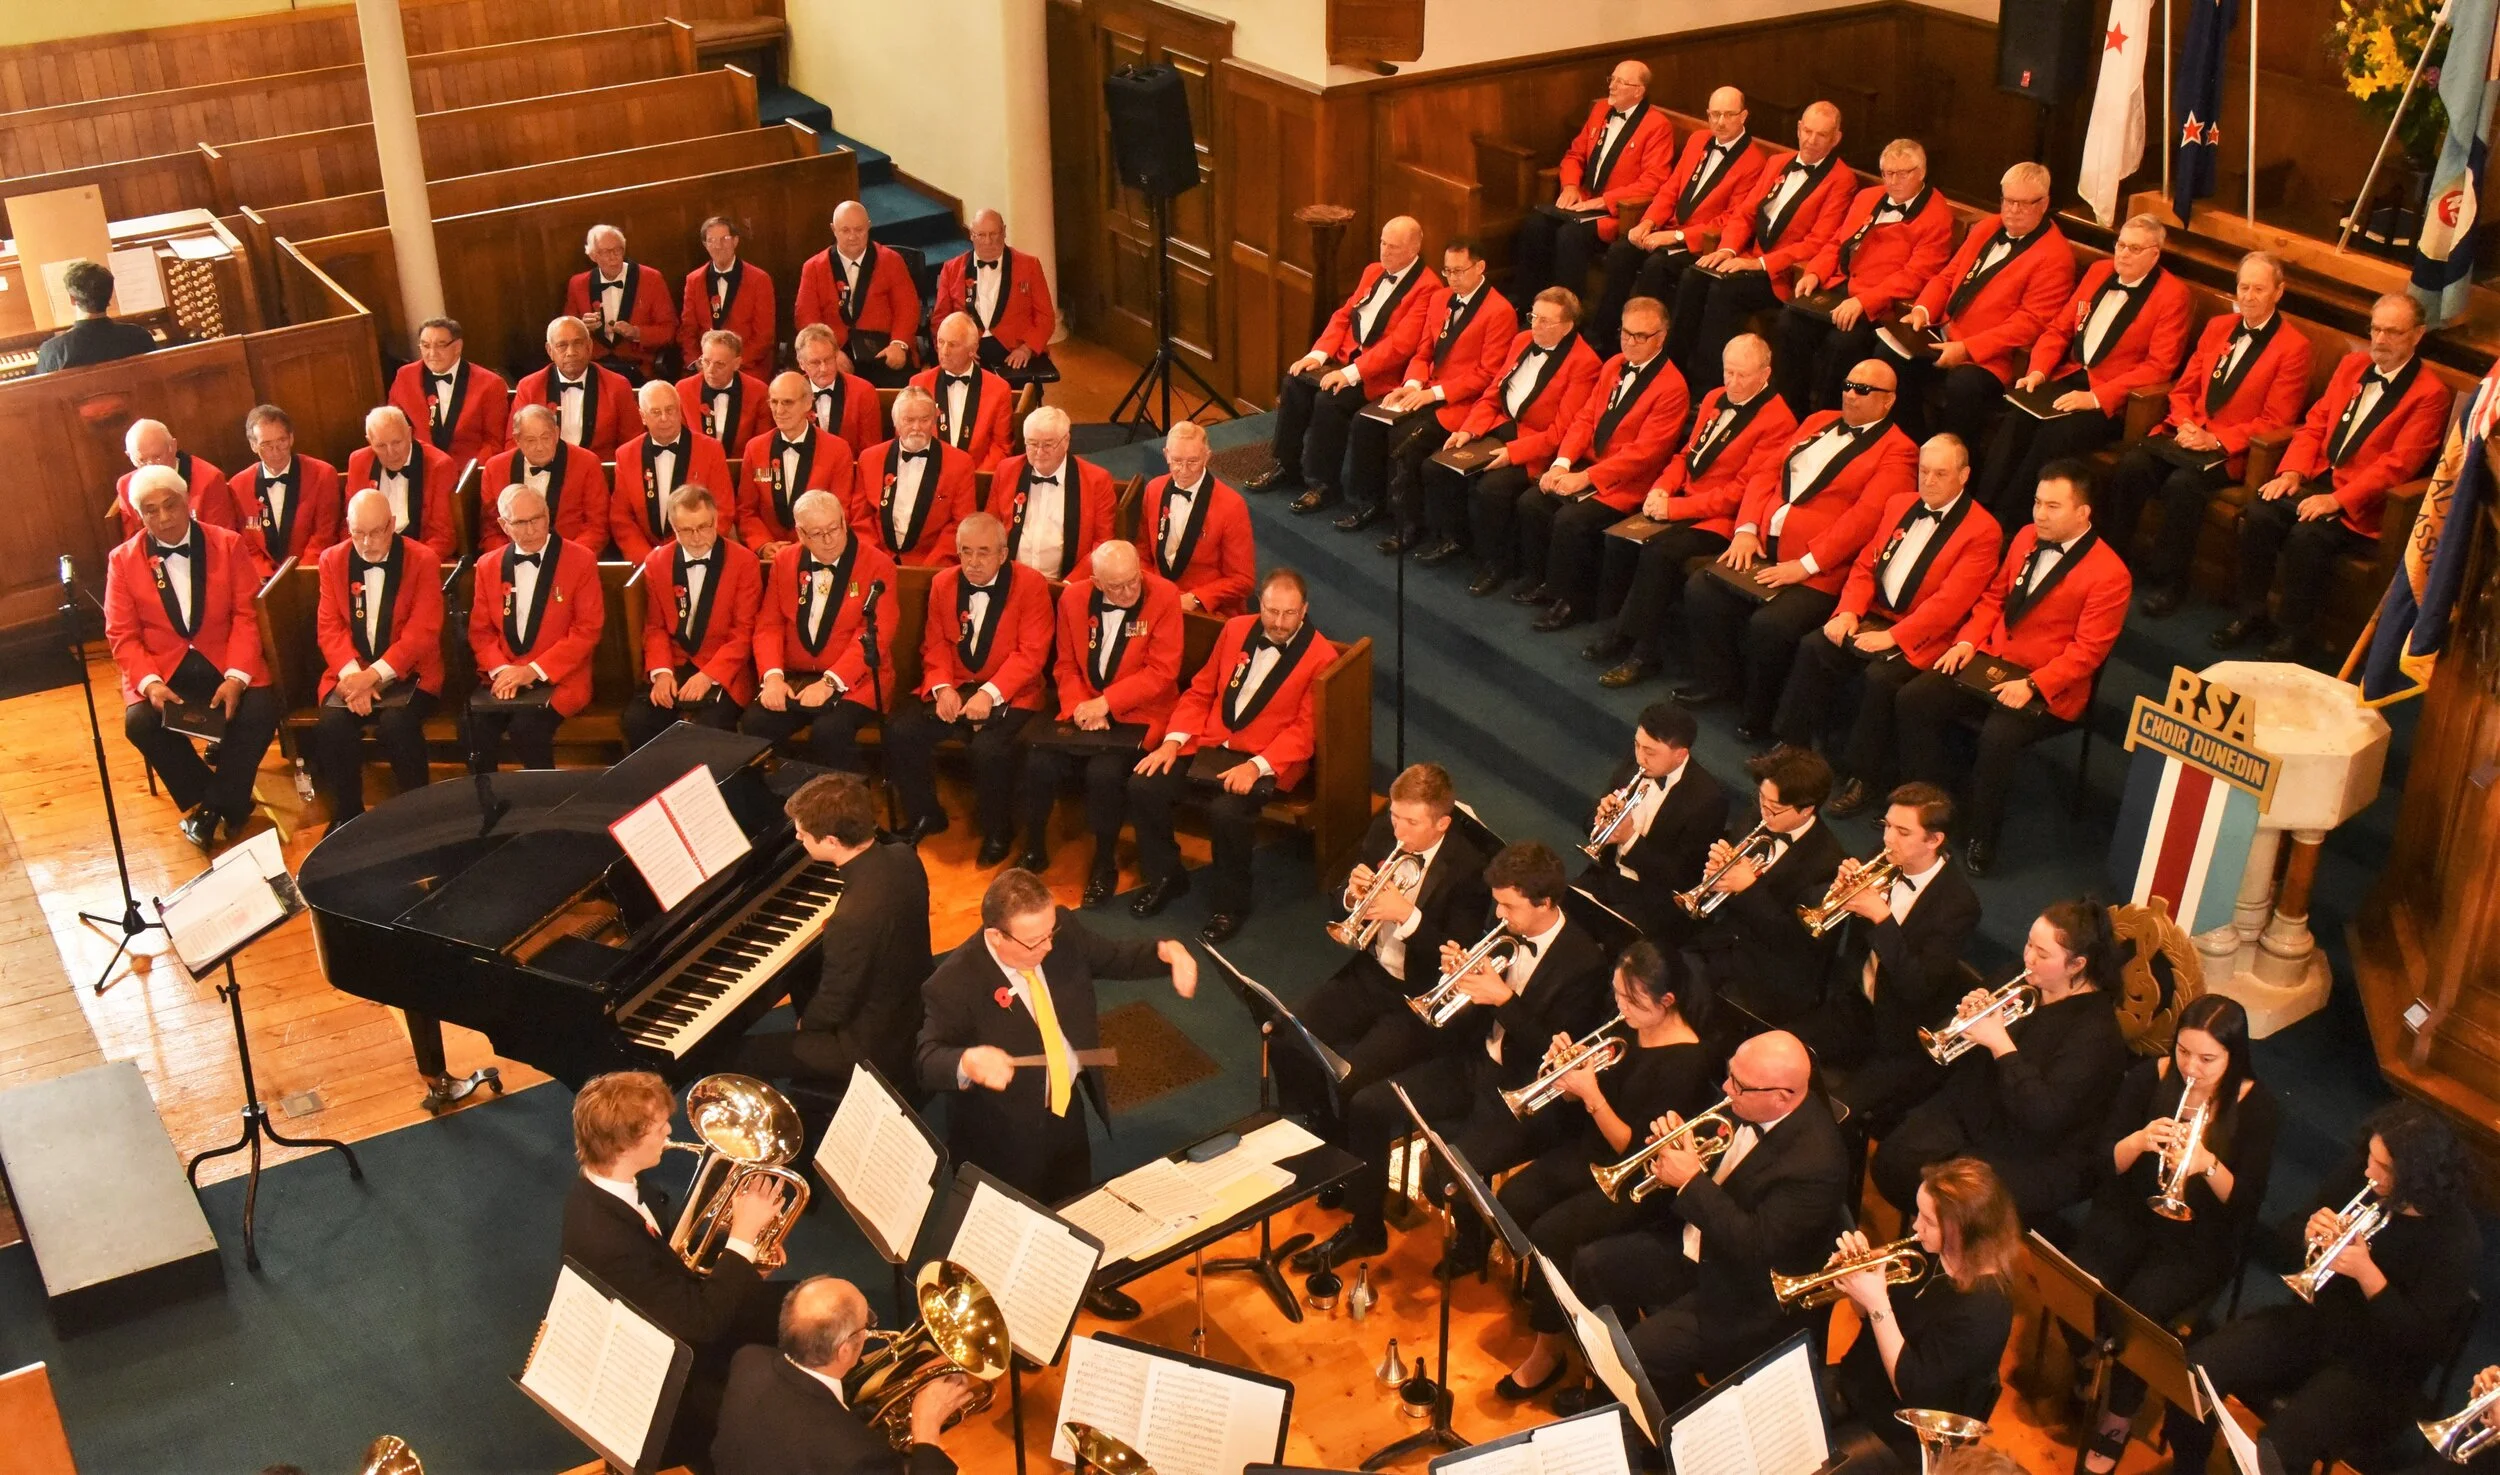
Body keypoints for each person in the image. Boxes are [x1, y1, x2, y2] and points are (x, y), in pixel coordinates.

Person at [1292, 841, 1611, 1272]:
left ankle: (1473, 1243)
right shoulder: (1502, 923)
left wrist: (1503, 1000)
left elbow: (1557, 1055)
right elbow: (1473, 1015)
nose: (1500, 916)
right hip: (1473, 1063)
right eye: (1498, 904)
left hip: (1527, 1092)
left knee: (1441, 1177)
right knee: (1367, 1105)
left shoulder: (1583, 962)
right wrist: (1460, 977)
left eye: (1510, 906)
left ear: (1545, 903)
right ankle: (1366, 1229)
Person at [2162, 1102, 2481, 1475]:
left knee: (2279, 1449)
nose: (2368, 1171)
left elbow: (2419, 1342)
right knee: (2195, 1373)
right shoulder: (2360, 1175)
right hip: (2314, 1323)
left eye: (2382, 1167)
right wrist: (2308, 1233)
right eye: (2370, 1157)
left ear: (2416, 1178)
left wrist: (2367, 1275)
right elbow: (2285, 1240)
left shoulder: (2456, 1240)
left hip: (2376, 1370)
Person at [1565, 1029, 1853, 1405]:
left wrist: (1690, 1181)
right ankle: (1630, 1391)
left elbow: (1754, 1247)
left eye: (1739, 1085)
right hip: (1700, 1247)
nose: (1727, 1088)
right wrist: (1677, 1149)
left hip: (1744, 1293)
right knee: (1591, 1265)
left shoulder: (1816, 1163)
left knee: (1636, 1353)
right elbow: (1720, 1174)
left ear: (1783, 1097)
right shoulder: (1748, 1101)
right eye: (1730, 1074)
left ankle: (1665, 1414)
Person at [1494, 942, 1717, 1400]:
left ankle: (1548, 1350)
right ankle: (1554, 1303)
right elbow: (1585, 1104)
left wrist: (1591, 1094)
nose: (1619, 1007)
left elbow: (1637, 1151)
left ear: (1666, 1001)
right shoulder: (1629, 1028)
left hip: (1636, 1182)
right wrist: (1567, 1077)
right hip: (1593, 1152)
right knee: (1515, 1197)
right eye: (1616, 994)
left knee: (1552, 1233)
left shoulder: (1687, 1062)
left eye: (1631, 1000)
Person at [2069, 994, 2279, 1475]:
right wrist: (2140, 1140)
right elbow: (2104, 1161)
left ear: (2233, 1056)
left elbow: (2247, 1203)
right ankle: (2087, 1360)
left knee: (2139, 1309)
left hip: (2201, 1237)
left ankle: (2118, 1417)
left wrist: (2208, 1165)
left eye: (2207, 1059)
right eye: (2184, 1051)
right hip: (2133, 1212)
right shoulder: (2149, 1077)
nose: (2191, 1068)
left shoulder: (2259, 1107)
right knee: (2079, 1278)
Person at [1893, 459, 2130, 874]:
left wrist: (2034, 684)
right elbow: (1995, 599)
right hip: (1991, 661)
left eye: (2053, 506)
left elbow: (2088, 652)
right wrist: (1967, 641)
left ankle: (1981, 836)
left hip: (2048, 687)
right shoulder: (2024, 537)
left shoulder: (2111, 574)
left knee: (1998, 736)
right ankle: (1925, 808)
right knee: (1916, 697)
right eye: (2037, 502)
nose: (2039, 514)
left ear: (2083, 512)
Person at [917, 867, 1199, 1202]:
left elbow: (1113, 957)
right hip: (1003, 1135)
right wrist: (966, 1061)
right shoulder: (953, 983)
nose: (1049, 946)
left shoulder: (1060, 931)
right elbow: (926, 1060)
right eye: (1035, 942)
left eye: (1051, 932)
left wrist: (1165, 953)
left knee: (1075, 1200)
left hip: (1066, 1109)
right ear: (996, 937)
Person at [1678, 358, 1916, 735]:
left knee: (1771, 625)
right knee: (1702, 589)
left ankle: (1759, 715)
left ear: (1888, 400)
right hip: (1763, 546)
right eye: (1848, 385)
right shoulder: (1818, 419)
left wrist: (1806, 564)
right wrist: (1746, 529)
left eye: (1864, 390)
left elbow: (1865, 520)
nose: (1851, 394)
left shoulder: (1899, 450)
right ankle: (1718, 681)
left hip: (1820, 571)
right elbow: (1766, 473)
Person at [562, 1071, 786, 1464]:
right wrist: (743, 1239)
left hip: (672, 1304)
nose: (670, 1129)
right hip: (668, 1365)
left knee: (795, 1299)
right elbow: (704, 1324)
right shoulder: (607, 1240)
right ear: (625, 1145)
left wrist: (741, 1250)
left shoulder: (612, 1187)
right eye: (659, 1126)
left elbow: (665, 1254)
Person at [2218, 291, 2450, 663]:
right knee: (2260, 512)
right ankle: (2250, 613)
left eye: (2393, 332)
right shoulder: (2351, 365)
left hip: (2364, 504)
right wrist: (2292, 471)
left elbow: (2398, 465)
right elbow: (2315, 424)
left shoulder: (2430, 394)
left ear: (2418, 334)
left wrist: (2337, 500)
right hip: (2316, 477)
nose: (2380, 340)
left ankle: (2293, 635)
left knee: (2307, 536)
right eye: (2375, 329)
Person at [1772, 434, 2000, 802]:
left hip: (1927, 636)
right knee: (1816, 646)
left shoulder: (1983, 530)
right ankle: (1791, 745)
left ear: (1964, 475)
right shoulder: (1900, 503)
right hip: (1877, 615)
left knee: (1880, 678)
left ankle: (1863, 777)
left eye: (1940, 474)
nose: (1928, 481)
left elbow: (1950, 604)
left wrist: (1893, 637)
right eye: (1924, 471)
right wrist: (1849, 610)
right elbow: (1866, 565)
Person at [1870, 898, 2131, 1219]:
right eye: (2029, 944)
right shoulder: (2020, 977)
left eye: (2042, 954)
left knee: (1949, 1197)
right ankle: (1932, 1233)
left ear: (2077, 965)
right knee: (1894, 1159)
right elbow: (1961, 1058)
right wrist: (1965, 1020)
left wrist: (2001, 1045)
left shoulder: (2096, 1034)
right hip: (1980, 1107)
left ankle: (1941, 1240)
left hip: (2035, 1152)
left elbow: (2044, 1116)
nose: (2028, 958)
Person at [1284, 762, 1495, 1136]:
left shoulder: (1468, 869)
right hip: (1370, 974)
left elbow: (1455, 955)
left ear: (1442, 824)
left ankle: (1345, 1149)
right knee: (1289, 1035)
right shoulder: (1385, 829)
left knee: (1351, 1078)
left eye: (1411, 822)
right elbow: (1340, 899)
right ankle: (1314, 1123)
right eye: (1396, 816)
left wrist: (1407, 916)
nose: (1399, 830)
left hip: (1418, 995)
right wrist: (1351, 895)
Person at [1129, 568, 1337, 942]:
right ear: (1259, 604)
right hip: (1210, 745)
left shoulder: (1321, 656)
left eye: (1289, 613)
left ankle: (1232, 903)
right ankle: (1166, 876)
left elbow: (1304, 731)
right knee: (1144, 785)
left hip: (1266, 759)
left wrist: (1256, 767)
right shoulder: (1235, 629)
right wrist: (1173, 741)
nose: (1279, 622)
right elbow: (1200, 692)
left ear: (1304, 610)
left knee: (1226, 812)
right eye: (1272, 611)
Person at [1584, 333, 1798, 689]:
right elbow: (1686, 455)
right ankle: (1621, 630)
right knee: (1620, 539)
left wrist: (1675, 508)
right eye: (1728, 372)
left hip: (1720, 519)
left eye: (1742, 375)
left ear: (1765, 374)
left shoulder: (1779, 421)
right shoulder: (1715, 397)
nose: (1732, 382)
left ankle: (1644, 653)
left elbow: (1740, 492)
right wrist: (1661, 487)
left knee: (1660, 553)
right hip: (1684, 500)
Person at [2101, 251, 2310, 613]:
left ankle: (2169, 581)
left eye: (2259, 289)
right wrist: (2185, 423)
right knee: (2133, 464)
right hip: (2187, 434)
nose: (2248, 296)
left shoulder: (2294, 348)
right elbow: (2185, 388)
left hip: (2231, 452)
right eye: (2243, 287)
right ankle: (2109, 561)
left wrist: (2215, 440)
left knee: (2183, 484)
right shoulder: (2218, 327)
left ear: (2279, 292)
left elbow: (2277, 420)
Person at [1970, 214, 2192, 524]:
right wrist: (2038, 371)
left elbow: (2159, 367)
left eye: (2135, 249)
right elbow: (2059, 330)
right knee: (2019, 415)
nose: (2123, 254)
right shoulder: (2099, 272)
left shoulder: (2173, 295)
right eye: (2121, 245)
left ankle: (2011, 520)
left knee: (2055, 433)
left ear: (2155, 254)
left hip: (2113, 402)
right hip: (2068, 376)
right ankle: (1980, 507)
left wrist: (2095, 398)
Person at [104, 466, 282, 852]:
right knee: (140, 723)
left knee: (260, 709)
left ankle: (211, 810)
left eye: (171, 505)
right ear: (138, 515)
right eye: (151, 510)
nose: (164, 517)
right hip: (163, 667)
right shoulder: (122, 560)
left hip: (225, 658)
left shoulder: (227, 544)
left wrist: (236, 677)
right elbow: (122, 634)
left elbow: (246, 616)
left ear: (187, 501)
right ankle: (225, 801)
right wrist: (151, 684)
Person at [733, 774, 934, 1096]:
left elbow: (836, 1001)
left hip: (871, 1045)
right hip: (913, 1008)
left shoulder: (852, 918)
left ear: (831, 841)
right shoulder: (903, 855)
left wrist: (807, 1025)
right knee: (805, 978)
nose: (797, 837)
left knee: (740, 1054)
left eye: (803, 833)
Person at [1508, 294, 1690, 632]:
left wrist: (1586, 478)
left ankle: (1572, 601)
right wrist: (1562, 463)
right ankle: (1543, 579)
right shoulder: (1613, 365)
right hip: (1591, 465)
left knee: (1571, 520)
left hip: (1626, 483)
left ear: (1661, 337)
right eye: (1626, 332)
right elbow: (1585, 418)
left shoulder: (1672, 387)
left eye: (1641, 336)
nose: (1630, 342)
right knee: (1532, 501)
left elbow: (1644, 454)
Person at [1811, 784, 1980, 1138]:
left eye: (1903, 832)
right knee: (1775, 1051)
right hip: (1855, 1008)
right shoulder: (1884, 858)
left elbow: (1918, 986)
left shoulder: (1958, 905)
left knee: (1833, 1115)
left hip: (1900, 1036)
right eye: (1887, 826)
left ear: (1934, 840)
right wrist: (1840, 895)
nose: (1888, 839)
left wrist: (1881, 918)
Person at [1021, 540, 1183, 903]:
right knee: (1038, 761)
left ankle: (1104, 861)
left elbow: (1162, 671)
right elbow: (1065, 665)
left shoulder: (1164, 596)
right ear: (1096, 582)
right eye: (1116, 586)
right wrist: (1081, 707)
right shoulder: (1073, 598)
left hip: (1140, 714)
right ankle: (1034, 847)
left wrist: (1105, 704)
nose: (1128, 592)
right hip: (1084, 709)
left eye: (1133, 581)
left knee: (1104, 773)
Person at [1829, 1158, 2021, 1464]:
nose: (1916, 1226)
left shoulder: (1985, 1310)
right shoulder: (1930, 1250)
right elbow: (1867, 1320)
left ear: (1962, 1230)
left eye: (1928, 1221)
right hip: (1859, 1383)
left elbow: (1912, 1390)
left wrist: (1877, 1303)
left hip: (1902, 1434)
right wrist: (1857, 1281)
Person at [1244, 216, 1439, 516]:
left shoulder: (1428, 287)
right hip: (1345, 359)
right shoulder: (1373, 271)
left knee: (1330, 400)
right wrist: (1319, 354)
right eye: (1383, 243)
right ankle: (1286, 465)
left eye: (1394, 247)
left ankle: (1323, 485)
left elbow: (1400, 346)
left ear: (1415, 248)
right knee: (1294, 382)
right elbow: (1344, 315)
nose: (1385, 252)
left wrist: (1350, 374)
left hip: (1378, 375)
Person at [887, 513, 1053, 862]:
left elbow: (1031, 654)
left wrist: (989, 693)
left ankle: (998, 831)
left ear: (1003, 554)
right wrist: (942, 687)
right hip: (958, 685)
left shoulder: (1031, 584)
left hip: (1013, 693)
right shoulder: (943, 583)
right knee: (902, 730)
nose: (973, 562)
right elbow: (935, 644)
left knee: (989, 750)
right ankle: (926, 815)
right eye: (966, 552)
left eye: (983, 552)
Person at [1670, 101, 1855, 397]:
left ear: (1836, 139)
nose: (1811, 140)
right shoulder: (1778, 162)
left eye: (1821, 135)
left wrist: (1759, 265)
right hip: (1748, 258)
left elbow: (1817, 243)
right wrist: (1728, 250)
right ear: (1798, 128)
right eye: (1807, 131)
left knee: (1723, 291)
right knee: (1694, 276)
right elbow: (1745, 214)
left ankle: (1707, 386)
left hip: (1782, 274)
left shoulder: (1841, 180)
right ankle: (1673, 370)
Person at [1885, 162, 2072, 450]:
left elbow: (2029, 323)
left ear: (2044, 204)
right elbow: (1947, 277)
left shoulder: (2055, 257)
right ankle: (1909, 446)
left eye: (2023, 204)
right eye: (2008, 200)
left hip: (1988, 359)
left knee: (1963, 385)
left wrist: (1967, 349)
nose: (2013, 210)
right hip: (1943, 333)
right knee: (1889, 354)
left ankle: (1952, 462)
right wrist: (1921, 310)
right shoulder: (1987, 227)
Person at [1343, 235, 1513, 546]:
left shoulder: (1499, 311)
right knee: (1366, 422)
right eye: (1447, 271)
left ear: (1480, 267)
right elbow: (1423, 352)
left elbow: (1487, 375)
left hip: (1460, 402)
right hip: (1426, 389)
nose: (1452, 278)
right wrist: (1411, 385)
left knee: (1405, 439)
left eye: (1459, 271)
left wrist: (1433, 394)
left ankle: (1408, 525)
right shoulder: (1440, 298)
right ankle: (1368, 503)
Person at [712, 1276, 971, 1475]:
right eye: (868, 1323)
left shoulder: (749, 1360)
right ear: (845, 1350)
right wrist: (926, 1429)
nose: (870, 1329)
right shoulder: (860, 1455)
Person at [1774, 138, 1955, 416]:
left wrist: (1863, 301)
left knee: (1841, 343)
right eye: (1887, 173)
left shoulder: (1936, 215)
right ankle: (1789, 413)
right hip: (1841, 285)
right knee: (1790, 323)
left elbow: (1915, 276)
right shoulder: (1867, 197)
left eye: (1902, 173)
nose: (1893, 181)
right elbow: (1837, 243)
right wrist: (1814, 272)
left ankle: (1826, 418)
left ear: (1921, 172)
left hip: (1882, 306)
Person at [1440, 287, 1604, 582]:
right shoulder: (1522, 340)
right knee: (1442, 463)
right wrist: (1468, 429)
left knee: (1491, 488)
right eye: (1533, 316)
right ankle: (1456, 541)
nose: (1535, 325)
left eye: (1545, 321)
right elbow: (1493, 393)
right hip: (1501, 426)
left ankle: (1497, 564)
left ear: (1568, 326)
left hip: (1535, 445)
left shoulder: (1585, 363)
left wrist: (1512, 454)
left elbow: (1560, 433)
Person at [1681, 745, 1847, 1026]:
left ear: (1807, 809)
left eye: (1774, 808)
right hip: (1723, 942)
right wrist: (1717, 877)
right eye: (1761, 798)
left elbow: (1797, 943)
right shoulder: (1754, 816)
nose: (1764, 812)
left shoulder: (1828, 863)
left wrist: (1749, 889)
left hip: (1769, 972)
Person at [1592, 86, 1762, 357]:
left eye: (1728, 115)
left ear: (1743, 116)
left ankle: (1653, 349)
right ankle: (1605, 340)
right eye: (1714, 114)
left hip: (1702, 243)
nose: (1720, 122)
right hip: (1669, 227)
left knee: (1656, 265)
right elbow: (1671, 189)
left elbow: (1732, 218)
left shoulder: (1754, 161)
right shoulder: (1698, 140)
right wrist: (1648, 222)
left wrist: (1678, 237)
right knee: (1621, 251)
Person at [742, 489, 900, 772]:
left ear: (844, 522)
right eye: (817, 533)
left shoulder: (878, 565)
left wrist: (830, 682)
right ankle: (789, 791)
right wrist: (773, 677)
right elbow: (769, 626)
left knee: (829, 731)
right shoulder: (785, 561)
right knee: (756, 722)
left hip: (856, 683)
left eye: (834, 528)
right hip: (797, 678)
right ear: (801, 534)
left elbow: (875, 635)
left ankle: (844, 798)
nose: (829, 540)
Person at [312, 489, 444, 824]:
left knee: (397, 724)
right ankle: (348, 818)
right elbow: (329, 626)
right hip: (351, 673)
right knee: (332, 725)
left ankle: (418, 816)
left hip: (410, 673)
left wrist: (373, 677)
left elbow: (422, 632)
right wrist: (353, 679)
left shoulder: (423, 560)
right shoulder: (332, 560)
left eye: (376, 532)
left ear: (393, 524)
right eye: (358, 533)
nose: (367, 543)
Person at [1508, 60, 1676, 306]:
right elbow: (1574, 155)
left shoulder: (1657, 126)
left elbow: (1653, 182)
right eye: (1612, 79)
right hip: (1584, 200)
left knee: (1569, 235)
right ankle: (1526, 304)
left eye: (1621, 82)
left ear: (1638, 91)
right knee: (1536, 224)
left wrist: (1603, 201)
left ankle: (1566, 311)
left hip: (1618, 213)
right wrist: (1570, 186)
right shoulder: (1600, 110)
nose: (1612, 86)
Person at [466, 484, 603, 773]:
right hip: (505, 677)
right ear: (503, 525)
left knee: (526, 728)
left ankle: (548, 799)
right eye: (520, 523)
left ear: (548, 515)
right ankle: (489, 797)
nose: (531, 530)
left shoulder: (580, 559)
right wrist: (503, 671)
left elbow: (587, 629)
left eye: (537, 519)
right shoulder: (488, 565)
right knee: (472, 727)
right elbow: (481, 631)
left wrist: (532, 671)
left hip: (560, 679)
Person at [624, 484, 763, 751]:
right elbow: (655, 627)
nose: (697, 538)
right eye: (686, 530)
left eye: (704, 527)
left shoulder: (744, 562)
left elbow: (744, 632)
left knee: (709, 726)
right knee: (637, 721)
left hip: (724, 668)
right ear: (674, 528)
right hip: (676, 663)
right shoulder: (657, 562)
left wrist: (708, 676)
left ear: (716, 520)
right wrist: (662, 673)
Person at [1577, 703, 1730, 942]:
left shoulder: (1708, 800)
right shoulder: (1637, 761)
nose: (1640, 757)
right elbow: (1589, 822)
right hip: (1606, 875)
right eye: (1637, 745)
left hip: (1652, 899)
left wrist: (1629, 839)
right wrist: (1599, 822)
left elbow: (1682, 878)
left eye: (1650, 751)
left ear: (1681, 754)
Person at [794, 200, 921, 387]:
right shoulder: (813, 267)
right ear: (833, 229)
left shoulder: (891, 261)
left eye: (859, 230)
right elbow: (806, 317)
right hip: (835, 351)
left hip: (884, 349)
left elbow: (907, 307)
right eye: (845, 230)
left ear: (869, 226)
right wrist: (830, 354)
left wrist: (899, 343)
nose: (852, 236)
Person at [741, 371, 858, 562]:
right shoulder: (755, 448)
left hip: (818, 554)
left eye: (787, 402)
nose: (779, 410)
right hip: (768, 556)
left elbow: (840, 511)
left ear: (807, 403)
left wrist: (798, 549)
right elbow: (747, 510)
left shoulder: (837, 449)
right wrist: (764, 545)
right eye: (774, 402)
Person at [854, 387, 977, 568]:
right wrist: (875, 560)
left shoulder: (960, 463)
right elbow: (861, 518)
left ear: (934, 420)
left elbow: (961, 524)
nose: (917, 427)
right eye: (909, 420)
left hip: (933, 565)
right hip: (876, 560)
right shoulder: (869, 459)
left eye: (924, 420)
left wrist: (929, 569)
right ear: (896, 422)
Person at [611, 379, 732, 564]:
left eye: (670, 410)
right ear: (643, 416)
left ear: (680, 410)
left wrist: (685, 553)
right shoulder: (626, 455)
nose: (664, 418)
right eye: (656, 412)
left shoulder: (710, 450)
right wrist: (648, 560)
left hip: (699, 554)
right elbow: (621, 518)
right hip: (646, 561)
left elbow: (723, 510)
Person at [986, 405, 1113, 580]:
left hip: (1065, 583)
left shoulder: (1096, 480)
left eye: (1047, 444)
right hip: (1010, 578)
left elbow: (1103, 544)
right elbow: (990, 526)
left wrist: (1070, 585)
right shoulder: (1007, 470)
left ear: (1066, 441)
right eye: (1032, 444)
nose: (1039, 452)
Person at [931, 209, 1058, 383]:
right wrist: (956, 350)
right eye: (981, 235)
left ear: (1004, 232)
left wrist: (1026, 349)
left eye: (993, 234)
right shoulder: (951, 269)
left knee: (1023, 393)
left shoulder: (1030, 266)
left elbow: (1046, 317)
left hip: (1015, 349)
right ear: (971, 235)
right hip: (968, 350)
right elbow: (940, 318)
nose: (988, 241)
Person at [1145, 420, 1257, 615]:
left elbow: (1243, 580)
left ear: (1207, 457)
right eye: (1177, 461)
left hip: (1204, 609)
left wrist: (1197, 598)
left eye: (1193, 462)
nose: (1184, 470)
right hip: (1156, 597)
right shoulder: (1153, 489)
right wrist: (1151, 587)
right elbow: (1142, 551)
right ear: (1166, 455)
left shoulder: (1232, 505)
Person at [229, 403, 343, 575]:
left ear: (291, 438)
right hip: (265, 581)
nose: (276, 451)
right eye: (266, 444)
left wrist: (301, 576)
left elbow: (324, 536)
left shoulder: (322, 474)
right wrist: (269, 580)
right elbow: (248, 543)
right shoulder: (239, 484)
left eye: (281, 441)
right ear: (253, 445)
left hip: (311, 573)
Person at [483, 405, 611, 552]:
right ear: (517, 439)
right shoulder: (495, 468)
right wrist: (508, 558)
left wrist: (569, 557)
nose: (540, 447)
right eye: (531, 440)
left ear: (556, 433)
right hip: (513, 559)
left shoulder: (587, 463)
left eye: (545, 438)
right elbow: (491, 530)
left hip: (571, 555)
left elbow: (596, 526)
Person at [514, 315, 641, 458]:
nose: (571, 352)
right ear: (550, 350)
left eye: (578, 343)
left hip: (599, 468)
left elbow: (633, 443)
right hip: (546, 468)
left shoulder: (617, 386)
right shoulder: (529, 387)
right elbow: (515, 441)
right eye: (562, 345)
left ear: (589, 346)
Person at [388, 316, 510, 464]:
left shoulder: (490, 384)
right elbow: (393, 429)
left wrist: (469, 473)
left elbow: (494, 443)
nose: (432, 353)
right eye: (425, 346)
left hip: (466, 471)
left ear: (457, 347)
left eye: (440, 345)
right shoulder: (405, 376)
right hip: (420, 469)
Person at [344, 405, 459, 560]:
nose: (391, 453)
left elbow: (443, 537)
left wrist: (412, 565)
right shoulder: (359, 462)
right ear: (369, 441)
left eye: (397, 443)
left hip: (419, 557)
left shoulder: (439, 466)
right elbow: (351, 526)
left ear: (409, 434)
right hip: (369, 555)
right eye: (381, 446)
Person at [564, 224, 677, 380]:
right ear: (593, 256)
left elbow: (669, 330)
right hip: (594, 368)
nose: (613, 257)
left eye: (617, 250)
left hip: (638, 366)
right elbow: (565, 332)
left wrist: (636, 332)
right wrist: (583, 327)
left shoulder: (651, 278)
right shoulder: (578, 284)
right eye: (605, 252)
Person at [911, 313, 1013, 473]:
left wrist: (973, 479)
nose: (944, 351)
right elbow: (907, 438)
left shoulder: (999, 389)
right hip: (929, 476)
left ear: (973, 349)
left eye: (952, 345)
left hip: (976, 477)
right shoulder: (919, 384)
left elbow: (1001, 448)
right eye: (941, 342)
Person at [679, 214, 775, 378]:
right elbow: (688, 331)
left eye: (724, 239)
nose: (718, 246)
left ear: (735, 241)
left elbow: (764, 335)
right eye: (712, 240)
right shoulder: (693, 280)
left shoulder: (759, 279)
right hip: (705, 369)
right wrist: (697, 362)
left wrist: (731, 364)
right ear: (705, 245)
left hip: (746, 367)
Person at [115, 418, 234, 538]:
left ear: (173, 446)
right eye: (142, 460)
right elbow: (133, 542)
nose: (151, 467)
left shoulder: (209, 478)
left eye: (157, 457)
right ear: (129, 456)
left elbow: (222, 538)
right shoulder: (126, 486)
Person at [35, 258, 153, 374]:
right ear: (109, 295)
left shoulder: (52, 350)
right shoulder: (140, 336)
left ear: (72, 299)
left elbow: (42, 387)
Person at [795, 321, 887, 450]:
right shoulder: (791, 392)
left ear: (836, 355)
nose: (823, 368)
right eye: (815, 363)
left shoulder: (863, 392)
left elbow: (870, 451)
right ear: (801, 364)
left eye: (828, 359)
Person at [679, 328, 773, 454]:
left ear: (736, 364)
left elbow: (763, 445)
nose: (710, 370)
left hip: (740, 464)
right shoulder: (684, 389)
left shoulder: (758, 392)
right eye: (706, 361)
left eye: (720, 364)